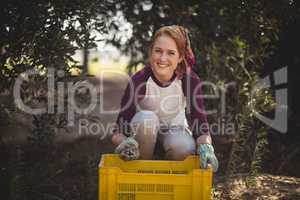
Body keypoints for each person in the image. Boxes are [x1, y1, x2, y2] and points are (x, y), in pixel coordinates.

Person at [110, 25, 218, 172]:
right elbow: (118, 132)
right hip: (143, 139)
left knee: (183, 147)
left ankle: (169, 177)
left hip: (174, 132)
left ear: (180, 57)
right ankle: (142, 173)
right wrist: (125, 143)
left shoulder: (189, 80)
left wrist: (206, 147)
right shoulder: (139, 80)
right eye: (158, 51)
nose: (163, 58)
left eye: (171, 53)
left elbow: (201, 128)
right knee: (147, 118)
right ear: (151, 52)